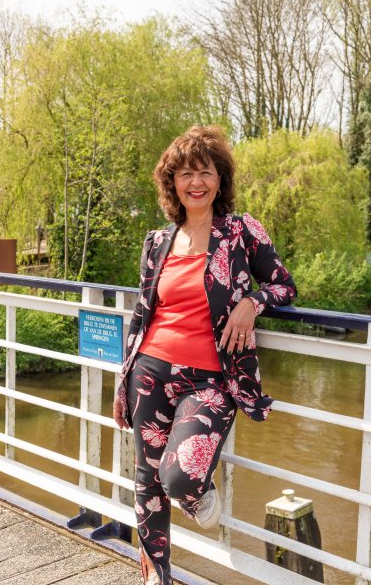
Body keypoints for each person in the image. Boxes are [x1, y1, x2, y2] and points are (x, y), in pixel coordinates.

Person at [113, 125, 297, 585]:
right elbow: (142, 314)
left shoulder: (239, 231)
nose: (196, 182)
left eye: (205, 172)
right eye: (185, 174)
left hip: (211, 379)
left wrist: (251, 303)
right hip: (150, 370)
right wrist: (124, 378)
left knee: (177, 479)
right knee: (147, 479)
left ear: (220, 179)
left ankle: (195, 496)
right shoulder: (157, 241)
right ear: (171, 183)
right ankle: (157, 575)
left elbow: (284, 284)